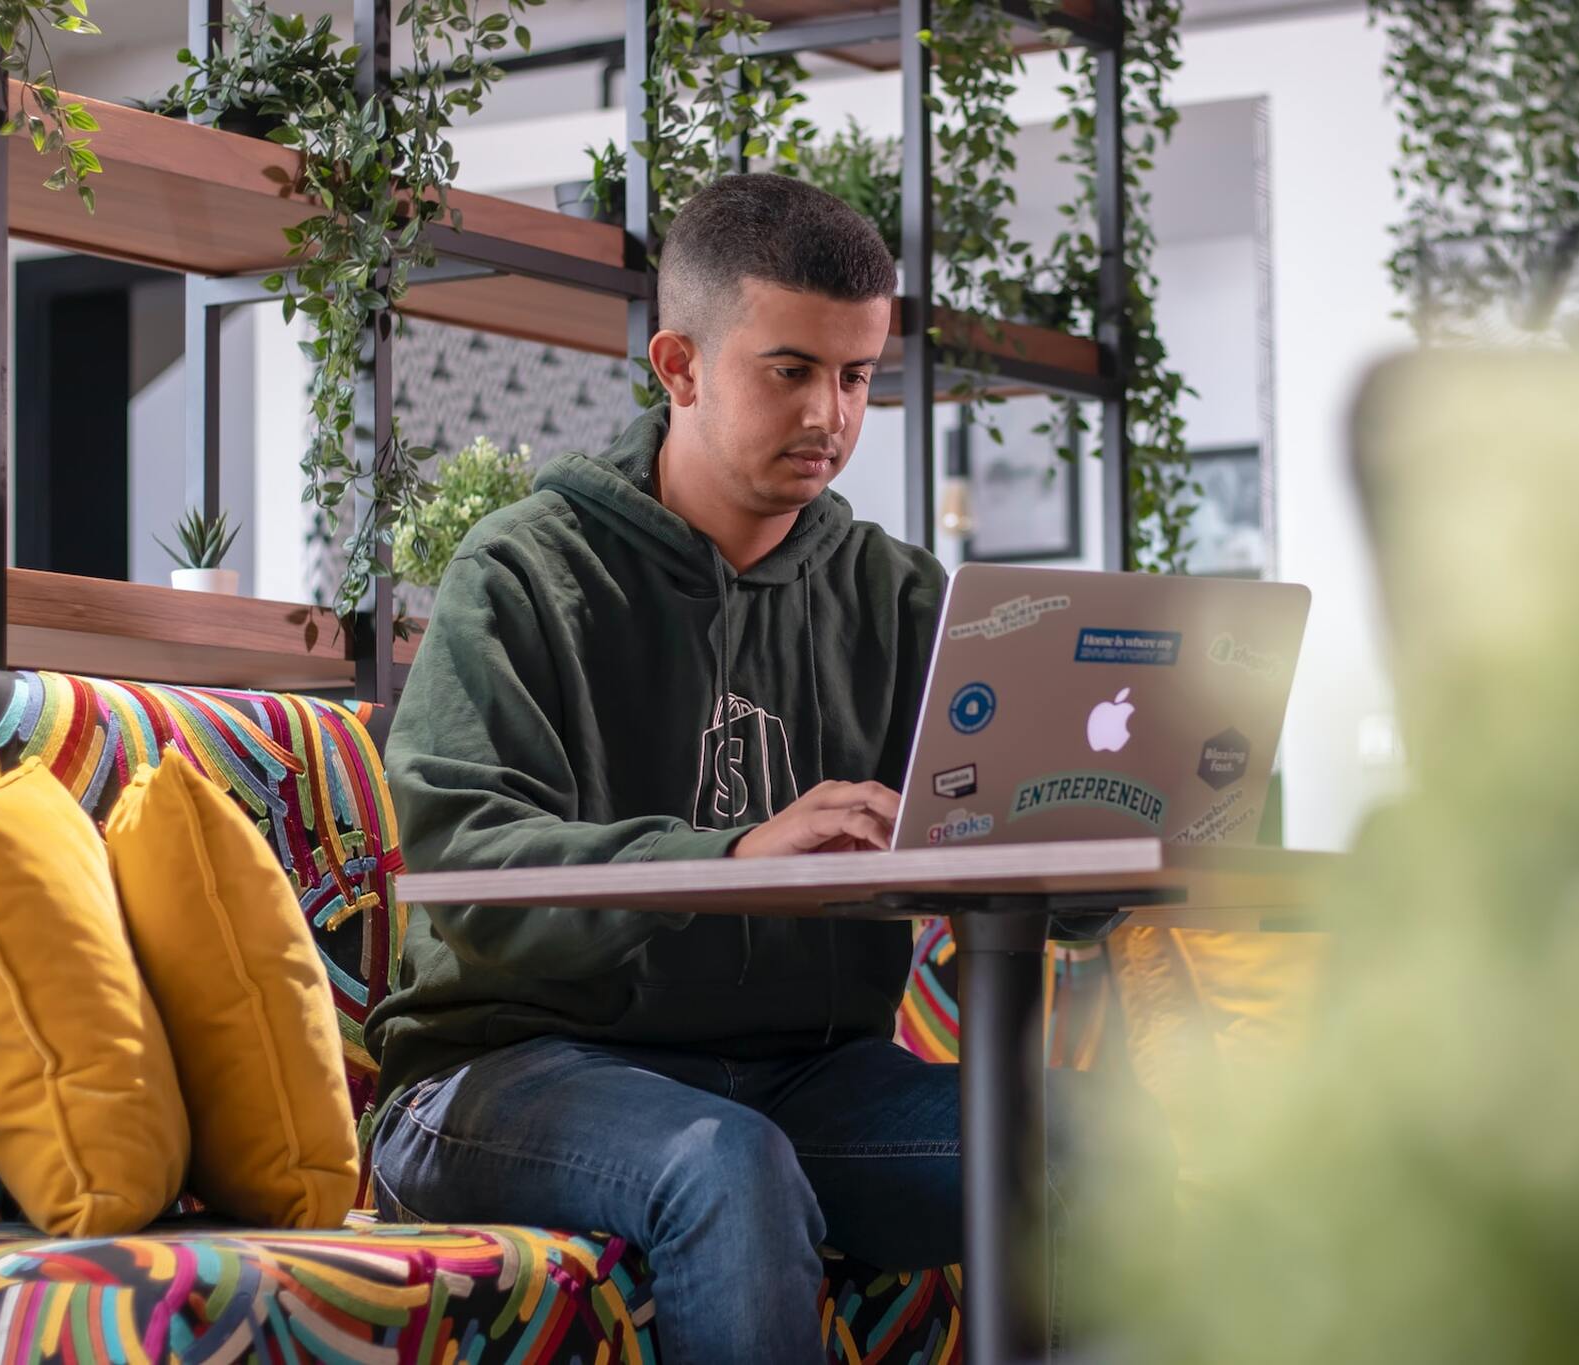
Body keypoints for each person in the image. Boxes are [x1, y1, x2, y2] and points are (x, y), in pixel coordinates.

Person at [364, 174, 1108, 1362]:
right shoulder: (522, 576)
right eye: (790, 369)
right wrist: (730, 855)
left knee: (1087, 1136)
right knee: (722, 1162)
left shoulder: (902, 597)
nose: (831, 413)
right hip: (507, 1080)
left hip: (806, 1083)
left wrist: (1110, 842)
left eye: (858, 375)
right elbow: (468, 864)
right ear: (679, 363)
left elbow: (1004, 841)